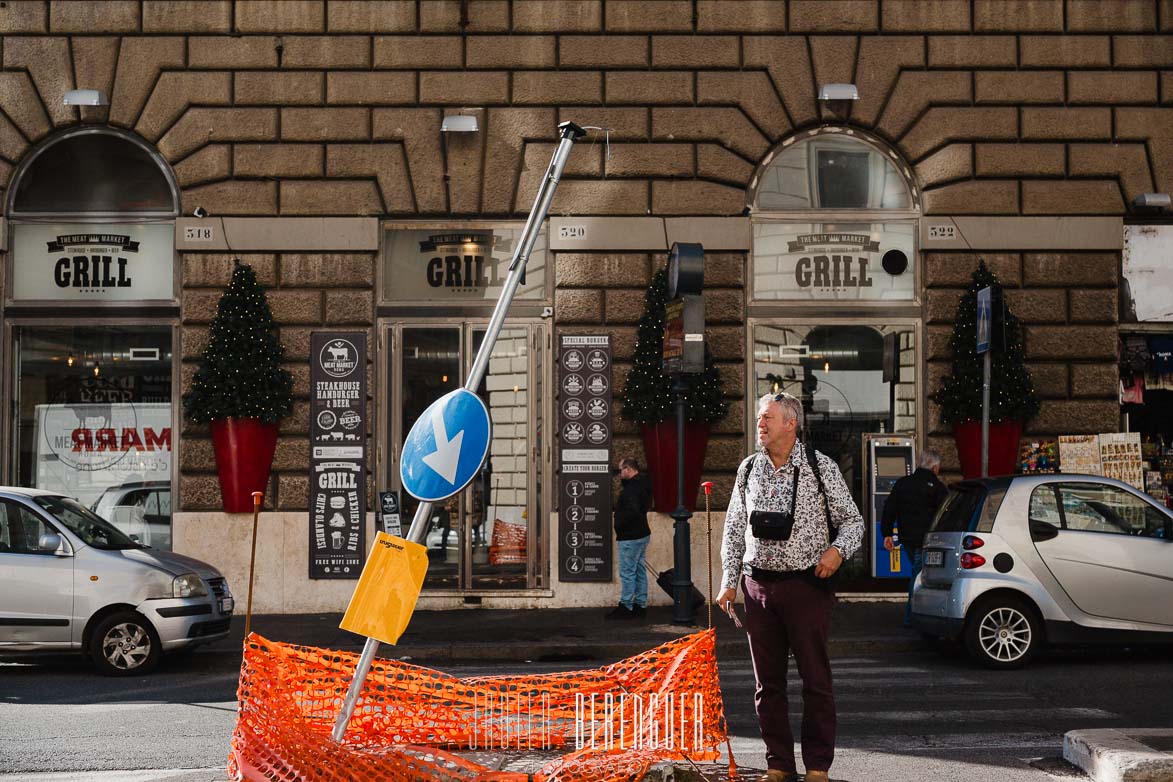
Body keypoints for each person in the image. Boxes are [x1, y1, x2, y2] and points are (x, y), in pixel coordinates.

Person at [717, 392, 864, 782]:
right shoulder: (748, 469)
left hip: (806, 588)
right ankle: (778, 764)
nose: (760, 425)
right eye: (758, 419)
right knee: (768, 685)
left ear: (790, 423)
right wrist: (728, 582)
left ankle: (817, 766)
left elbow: (853, 522)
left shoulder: (820, 467)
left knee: (815, 680)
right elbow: (734, 529)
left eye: (767, 418)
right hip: (757, 588)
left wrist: (837, 551)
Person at [882, 447, 949, 627]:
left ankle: (917, 614)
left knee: (918, 573)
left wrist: (887, 533)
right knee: (918, 576)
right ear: (934, 467)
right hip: (926, 540)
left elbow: (889, 508)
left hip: (907, 539)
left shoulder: (903, 483)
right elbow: (945, 514)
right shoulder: (938, 487)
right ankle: (910, 618)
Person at [607, 457, 652, 620]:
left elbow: (631, 511)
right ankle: (640, 605)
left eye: (620, 470)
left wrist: (620, 525)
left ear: (628, 469)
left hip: (630, 536)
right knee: (639, 570)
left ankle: (626, 605)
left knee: (627, 572)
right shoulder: (643, 484)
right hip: (642, 533)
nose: (619, 474)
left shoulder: (632, 489)